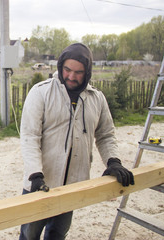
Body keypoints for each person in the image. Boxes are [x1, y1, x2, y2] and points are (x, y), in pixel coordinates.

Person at [19, 43, 135, 240]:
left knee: (57, 235)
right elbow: (30, 137)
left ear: (87, 72)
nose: (71, 77)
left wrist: (113, 161)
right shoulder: (41, 92)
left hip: (73, 187)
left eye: (78, 72)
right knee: (29, 235)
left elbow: (106, 135)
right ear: (60, 66)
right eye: (67, 70)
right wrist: (35, 174)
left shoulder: (97, 98)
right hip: (40, 183)